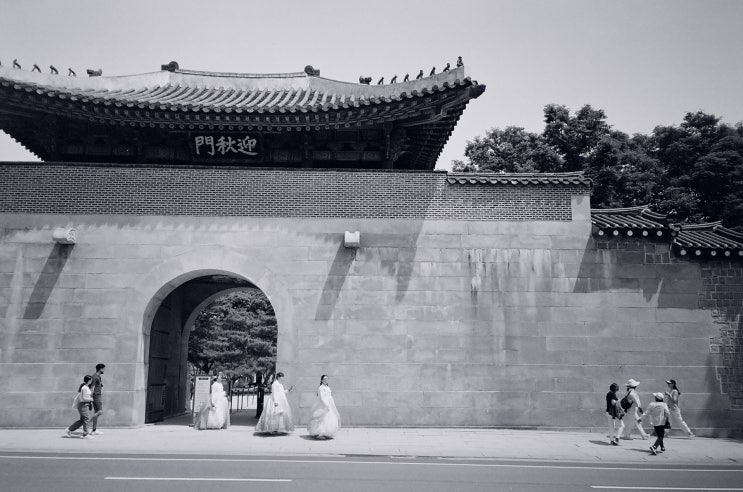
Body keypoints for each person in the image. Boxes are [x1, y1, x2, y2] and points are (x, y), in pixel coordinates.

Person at [307, 374, 341, 439]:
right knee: (322, 418)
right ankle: (320, 434)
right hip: (323, 404)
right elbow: (322, 397)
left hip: (329, 404)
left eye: (326, 379)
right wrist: (326, 405)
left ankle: (328, 433)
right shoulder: (321, 387)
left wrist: (330, 404)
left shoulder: (327, 387)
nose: (325, 380)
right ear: (322, 380)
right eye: (324, 379)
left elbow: (329, 396)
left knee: (330, 417)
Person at [89, 363, 105, 436]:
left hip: (98, 395)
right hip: (96, 396)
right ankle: (86, 423)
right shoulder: (95, 377)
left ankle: (94, 430)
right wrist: (91, 398)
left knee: (96, 412)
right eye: (103, 369)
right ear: (100, 369)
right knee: (100, 412)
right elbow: (92, 387)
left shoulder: (98, 376)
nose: (104, 370)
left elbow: (98, 385)